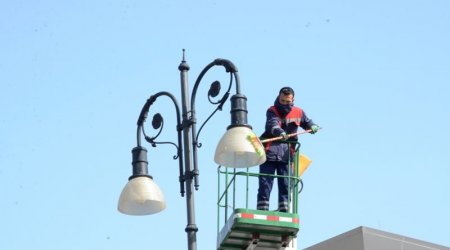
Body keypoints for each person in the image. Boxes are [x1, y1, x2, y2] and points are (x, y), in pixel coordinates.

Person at [257, 86, 319, 212]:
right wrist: (279, 132)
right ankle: (262, 209)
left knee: (286, 183)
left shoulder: (298, 112)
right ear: (279, 98)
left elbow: (307, 122)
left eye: (287, 101)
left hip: (287, 155)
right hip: (269, 152)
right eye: (282, 101)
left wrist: (312, 126)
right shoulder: (272, 110)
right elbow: (271, 124)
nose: (285, 104)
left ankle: (284, 209)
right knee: (265, 182)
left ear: (293, 100)